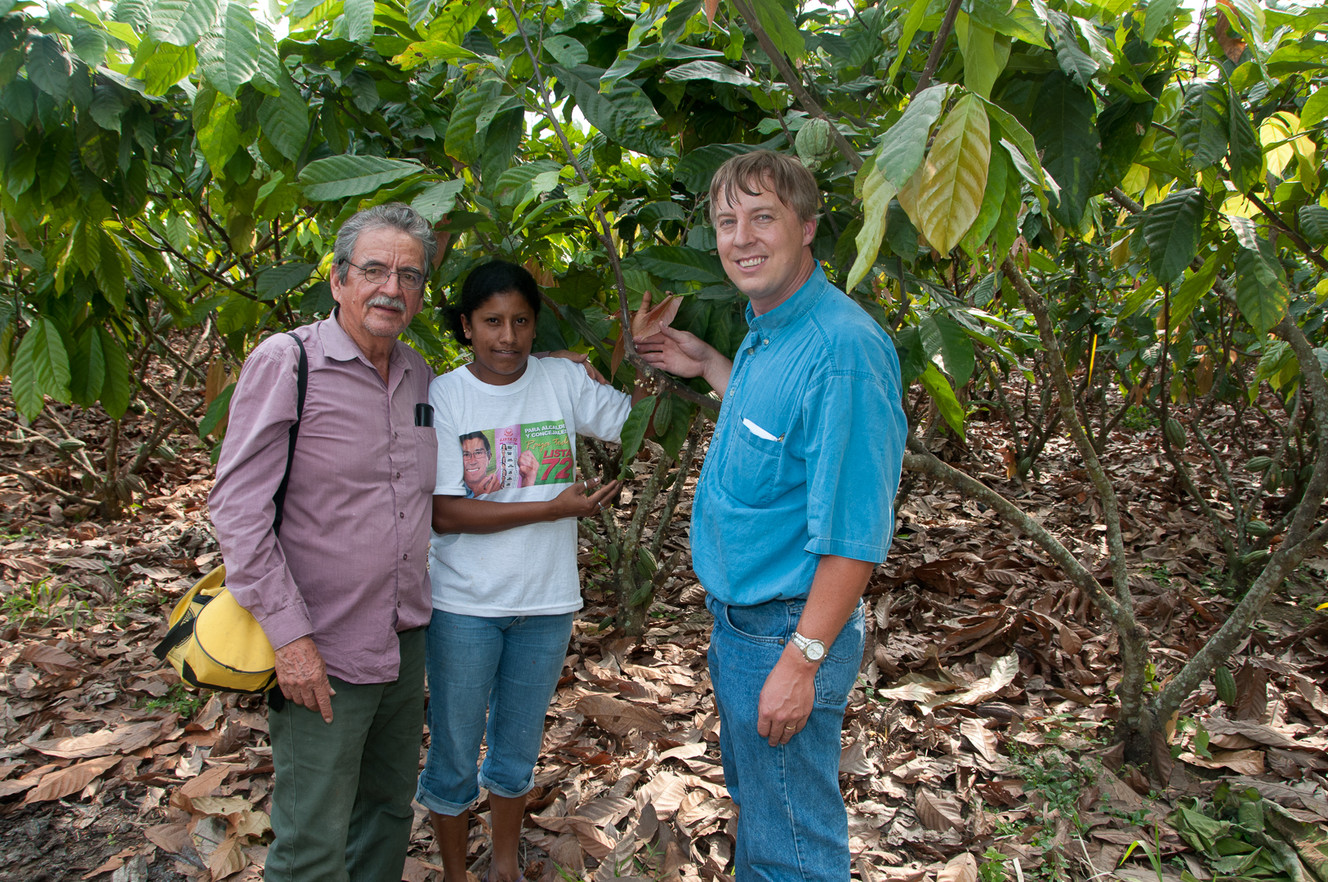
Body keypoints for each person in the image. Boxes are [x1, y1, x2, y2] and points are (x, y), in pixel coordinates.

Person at [636, 151, 906, 881]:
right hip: (745, 625)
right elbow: (784, 437)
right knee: (765, 814)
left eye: (763, 217)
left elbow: (855, 536)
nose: (742, 238)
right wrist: (708, 365)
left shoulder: (841, 351)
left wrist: (801, 662)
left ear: (808, 227)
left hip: (786, 630)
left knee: (794, 849)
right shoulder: (769, 327)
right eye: (727, 222)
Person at [209, 202, 438, 882]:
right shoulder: (289, 361)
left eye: (409, 276)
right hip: (321, 643)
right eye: (374, 270)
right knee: (312, 841)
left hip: (403, 639)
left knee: (388, 813)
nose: (391, 288)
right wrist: (290, 639)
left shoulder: (419, 373)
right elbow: (238, 509)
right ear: (338, 280)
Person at [417, 260, 634, 882]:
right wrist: (550, 509)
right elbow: (445, 512)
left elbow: (637, 421)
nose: (507, 337)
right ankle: (455, 872)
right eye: (491, 322)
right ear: (466, 326)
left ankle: (506, 865)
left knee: (516, 747)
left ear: (536, 325)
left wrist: (636, 353)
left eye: (520, 321)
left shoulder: (560, 380)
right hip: (465, 606)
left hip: (545, 604)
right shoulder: (446, 395)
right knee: (454, 750)